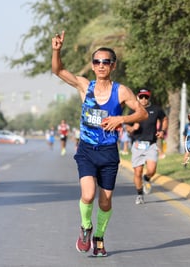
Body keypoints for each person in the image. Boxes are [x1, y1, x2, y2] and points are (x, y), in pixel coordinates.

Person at [51, 31, 148, 257]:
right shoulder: (85, 86)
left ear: (113, 66)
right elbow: (58, 71)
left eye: (106, 62)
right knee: (88, 195)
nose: (101, 65)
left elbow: (142, 113)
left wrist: (121, 119)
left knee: (105, 203)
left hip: (108, 153)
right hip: (86, 149)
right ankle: (86, 227)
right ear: (93, 66)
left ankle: (99, 237)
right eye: (97, 61)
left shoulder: (121, 91)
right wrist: (56, 50)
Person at [125, 88, 168, 205]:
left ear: (149, 97)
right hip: (138, 145)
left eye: (146, 97)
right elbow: (127, 126)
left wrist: (162, 131)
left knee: (151, 169)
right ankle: (139, 195)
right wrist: (132, 128)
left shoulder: (156, 109)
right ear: (138, 97)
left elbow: (164, 119)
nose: (144, 99)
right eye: (141, 97)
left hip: (151, 144)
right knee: (137, 172)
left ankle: (147, 178)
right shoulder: (133, 110)